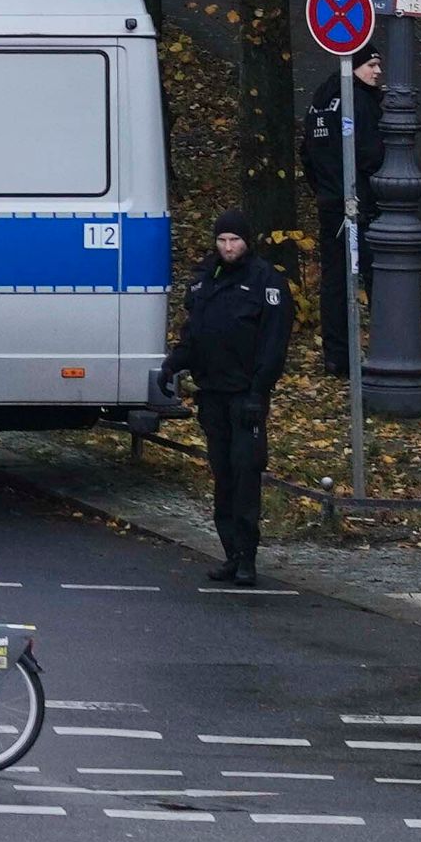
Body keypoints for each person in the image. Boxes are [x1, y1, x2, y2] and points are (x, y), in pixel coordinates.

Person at [162, 212, 293, 585]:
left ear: (247, 242)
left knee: (245, 474)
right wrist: (173, 365)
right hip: (213, 394)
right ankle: (231, 553)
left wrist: (258, 391)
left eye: (234, 240)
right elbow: (195, 333)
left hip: (245, 398)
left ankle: (248, 556)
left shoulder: (266, 282)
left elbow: (273, 344)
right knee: (222, 475)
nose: (228, 247)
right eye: (222, 240)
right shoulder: (207, 279)